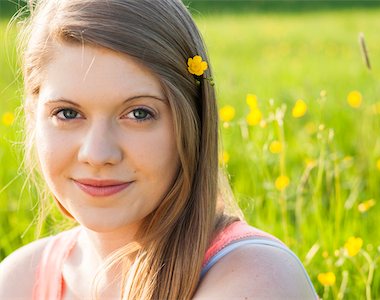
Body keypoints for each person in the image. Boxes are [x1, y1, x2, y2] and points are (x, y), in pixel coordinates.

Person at [0, 0, 317, 299]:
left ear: (191, 120)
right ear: (32, 115)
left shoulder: (256, 277)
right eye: (68, 113)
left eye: (139, 114)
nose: (97, 154)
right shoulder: (19, 280)